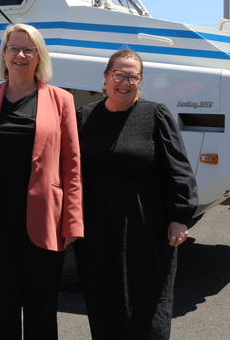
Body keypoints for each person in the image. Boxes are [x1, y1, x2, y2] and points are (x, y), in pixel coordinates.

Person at [0, 23, 83, 340]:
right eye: (14, 48)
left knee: (41, 309)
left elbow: (72, 166)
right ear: (4, 54)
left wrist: (73, 221)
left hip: (45, 220)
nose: (20, 55)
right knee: (1, 308)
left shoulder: (61, 100)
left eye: (29, 49)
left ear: (39, 56)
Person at [75, 48, 199, 339]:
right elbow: (71, 170)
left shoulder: (155, 114)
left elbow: (179, 168)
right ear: (106, 77)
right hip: (97, 226)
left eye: (133, 77)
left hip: (147, 226)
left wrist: (180, 216)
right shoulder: (84, 116)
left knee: (148, 303)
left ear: (140, 81)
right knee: (103, 298)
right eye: (119, 75)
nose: (125, 82)